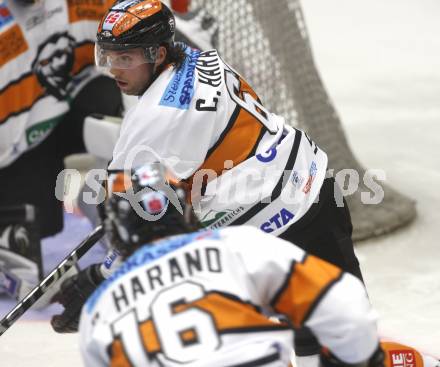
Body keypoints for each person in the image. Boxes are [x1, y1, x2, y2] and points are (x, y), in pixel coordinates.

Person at [89, 0, 361, 360]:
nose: (113, 69)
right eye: (107, 56)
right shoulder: (199, 56)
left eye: (125, 58)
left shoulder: (153, 121)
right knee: (338, 338)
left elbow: (134, 220)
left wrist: (99, 277)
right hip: (316, 187)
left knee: (236, 344)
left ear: (156, 53)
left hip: (271, 226)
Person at [76, 164, 438, 367]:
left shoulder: (98, 310)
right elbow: (345, 304)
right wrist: (361, 359)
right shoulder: (237, 245)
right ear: (184, 211)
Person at [0, 0, 122, 300]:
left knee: (114, 112)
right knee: (23, 267)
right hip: (14, 151)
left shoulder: (82, 4)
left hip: (70, 109)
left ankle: (111, 205)